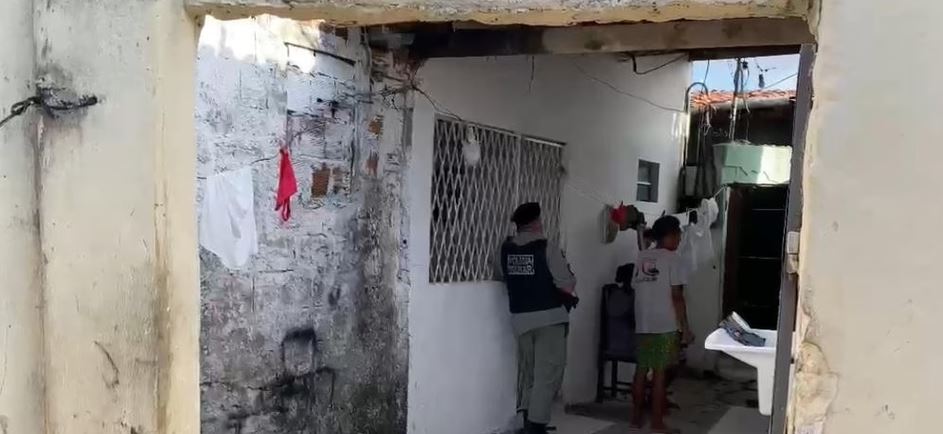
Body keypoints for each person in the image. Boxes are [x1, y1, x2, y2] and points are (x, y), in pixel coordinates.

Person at [495, 202, 578, 434]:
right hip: (549, 319)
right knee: (547, 374)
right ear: (537, 223)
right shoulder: (547, 247)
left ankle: (526, 421)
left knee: (528, 372)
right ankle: (536, 426)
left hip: (520, 320)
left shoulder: (505, 248)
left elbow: (500, 274)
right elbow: (567, 285)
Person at [630, 215, 693, 433]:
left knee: (641, 371)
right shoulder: (673, 259)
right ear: (670, 235)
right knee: (659, 374)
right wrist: (685, 328)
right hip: (664, 325)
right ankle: (657, 423)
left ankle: (636, 419)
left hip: (642, 323)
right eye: (678, 235)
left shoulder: (642, 256)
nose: (679, 239)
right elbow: (677, 296)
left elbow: (636, 287)